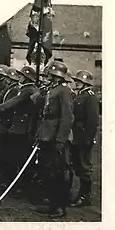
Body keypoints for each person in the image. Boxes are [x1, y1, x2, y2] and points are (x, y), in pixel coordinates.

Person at [0, 65, 38, 197]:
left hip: (23, 128)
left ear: (27, 78)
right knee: (13, 156)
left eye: (21, 76)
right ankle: (13, 182)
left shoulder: (28, 90)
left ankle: (21, 186)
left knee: (20, 158)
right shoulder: (23, 88)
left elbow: (9, 104)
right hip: (16, 127)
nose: (18, 77)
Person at [32, 61, 74, 218]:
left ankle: (59, 206)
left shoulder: (64, 91)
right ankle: (51, 203)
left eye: (49, 74)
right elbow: (39, 106)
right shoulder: (52, 90)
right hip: (46, 135)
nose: (46, 76)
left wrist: (60, 140)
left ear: (56, 76)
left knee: (58, 173)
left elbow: (67, 118)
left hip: (56, 137)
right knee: (47, 171)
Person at [69, 70, 99, 207]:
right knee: (77, 165)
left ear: (86, 83)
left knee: (84, 167)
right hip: (75, 135)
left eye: (79, 81)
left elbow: (92, 121)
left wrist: (88, 139)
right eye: (76, 81)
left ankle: (85, 195)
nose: (76, 83)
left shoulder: (90, 96)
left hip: (83, 136)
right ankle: (80, 194)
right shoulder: (79, 95)